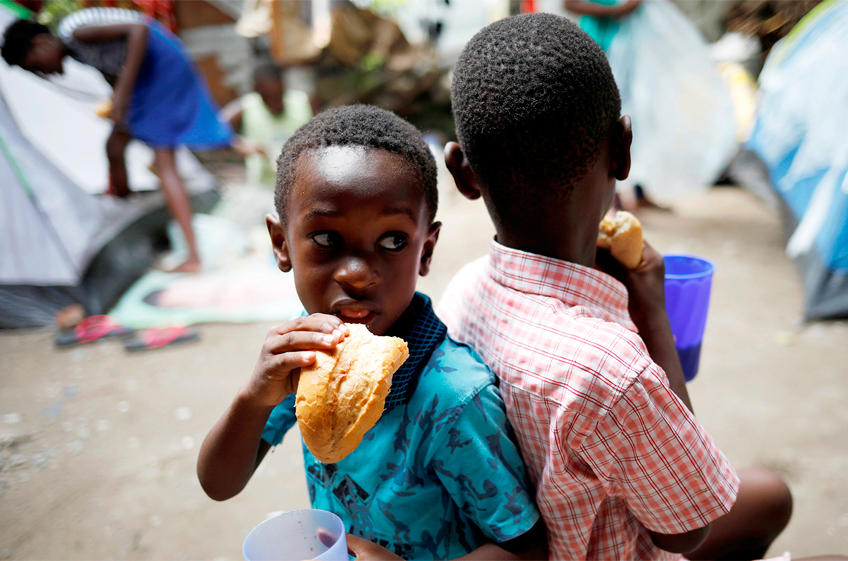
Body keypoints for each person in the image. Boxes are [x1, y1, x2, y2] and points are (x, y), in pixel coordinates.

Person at [438, 13, 794, 560]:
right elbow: (684, 528)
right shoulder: (609, 371)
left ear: (464, 173)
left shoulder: (462, 291)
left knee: (770, 495)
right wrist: (651, 311)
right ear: (623, 149)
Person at [196, 105, 546, 560]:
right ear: (282, 244)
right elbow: (219, 483)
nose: (359, 275)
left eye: (393, 241)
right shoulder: (307, 356)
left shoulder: (452, 400)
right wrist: (253, 398)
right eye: (326, 239)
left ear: (426, 250)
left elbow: (527, 549)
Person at [1, 9, 234, 273]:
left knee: (164, 158)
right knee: (115, 146)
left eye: (36, 66)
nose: (46, 74)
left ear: (41, 43)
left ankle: (194, 257)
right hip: (148, 74)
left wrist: (122, 95)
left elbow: (140, 30)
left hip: (160, 66)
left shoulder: (74, 31)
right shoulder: (78, 52)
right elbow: (114, 69)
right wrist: (119, 105)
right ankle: (129, 211)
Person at [222, 61, 313, 186]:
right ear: (257, 92)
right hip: (264, 186)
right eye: (267, 97)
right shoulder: (248, 106)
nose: (274, 102)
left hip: (301, 182)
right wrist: (242, 146)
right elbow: (216, 130)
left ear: (284, 86)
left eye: (277, 95)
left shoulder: (301, 102)